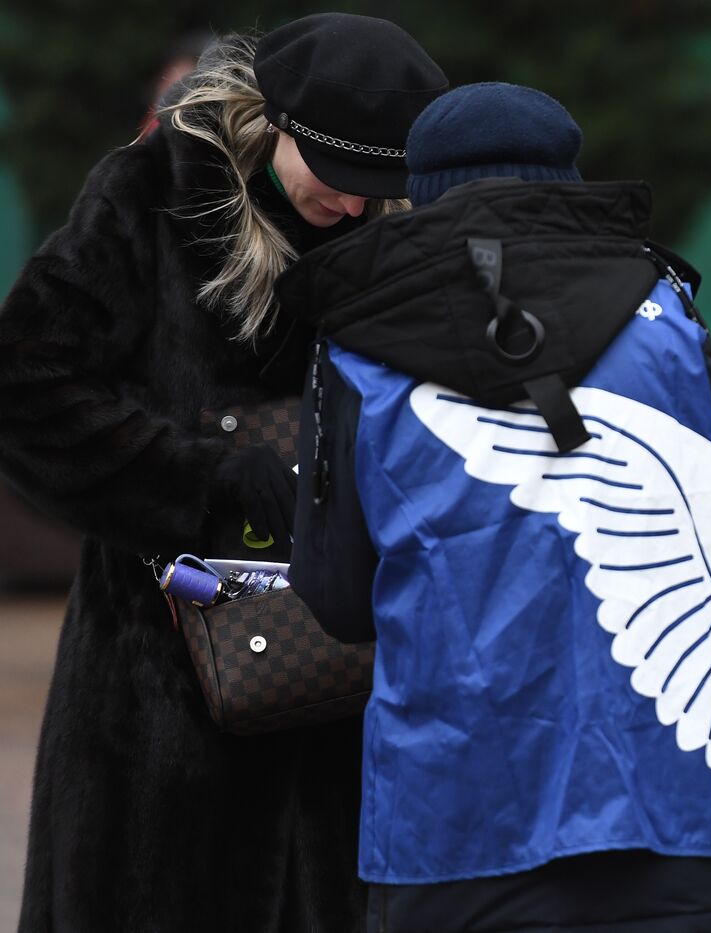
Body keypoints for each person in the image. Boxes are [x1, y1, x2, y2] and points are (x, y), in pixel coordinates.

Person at [284, 82, 711, 933]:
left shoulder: (357, 341)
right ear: (568, 180)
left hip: (451, 826)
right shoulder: (667, 316)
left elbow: (338, 597)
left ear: (422, 191)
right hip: (664, 808)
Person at [0, 14, 446, 931]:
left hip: (349, 708)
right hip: (158, 700)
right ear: (279, 124)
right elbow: (25, 386)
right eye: (342, 179)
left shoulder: (397, 238)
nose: (358, 207)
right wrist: (201, 479)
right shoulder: (152, 197)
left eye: (380, 187)